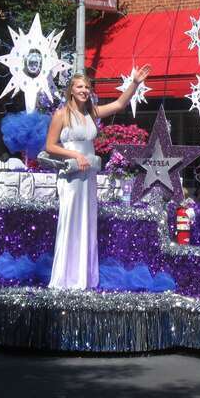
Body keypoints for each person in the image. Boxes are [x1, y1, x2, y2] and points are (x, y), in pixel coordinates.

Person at [45, 67, 150, 289]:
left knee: (87, 223)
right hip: (71, 176)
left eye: (86, 86)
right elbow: (50, 146)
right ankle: (65, 278)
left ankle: (84, 277)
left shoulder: (91, 113)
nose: (84, 90)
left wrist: (135, 83)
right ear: (71, 90)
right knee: (70, 222)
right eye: (79, 87)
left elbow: (119, 104)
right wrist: (75, 154)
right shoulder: (61, 114)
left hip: (89, 175)